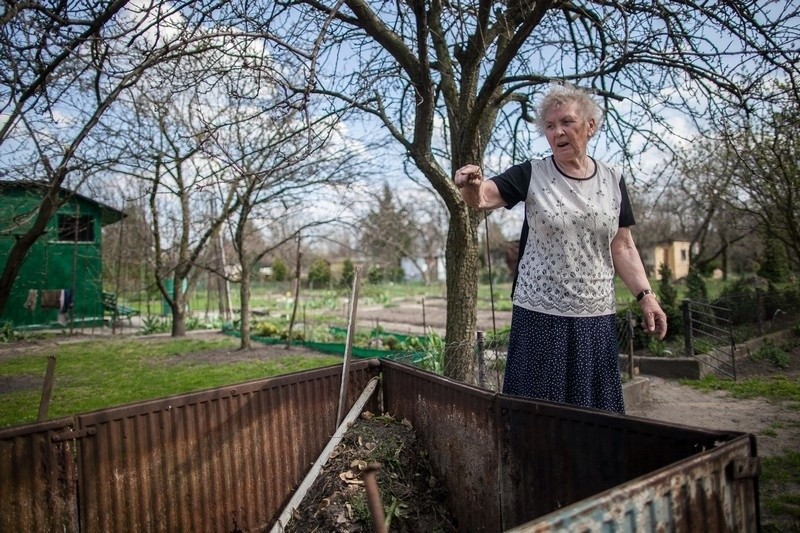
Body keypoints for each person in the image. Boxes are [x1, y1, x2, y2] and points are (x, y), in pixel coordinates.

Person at [454, 84, 667, 414]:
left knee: (594, 416)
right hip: (541, 316)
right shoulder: (532, 173)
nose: (558, 132)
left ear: (590, 126)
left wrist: (646, 296)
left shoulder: (613, 180)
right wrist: (471, 185)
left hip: (595, 317)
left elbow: (622, 245)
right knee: (539, 415)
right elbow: (483, 198)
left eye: (567, 122)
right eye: (550, 126)